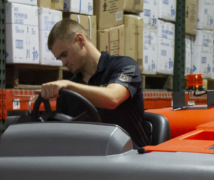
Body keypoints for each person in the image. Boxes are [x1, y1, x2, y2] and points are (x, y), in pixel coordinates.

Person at [41, 19, 149, 149]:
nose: (63, 63)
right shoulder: (67, 92)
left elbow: (112, 98)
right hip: (88, 161)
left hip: (129, 159)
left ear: (80, 40)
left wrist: (68, 85)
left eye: (65, 54)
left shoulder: (125, 66)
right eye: (59, 58)